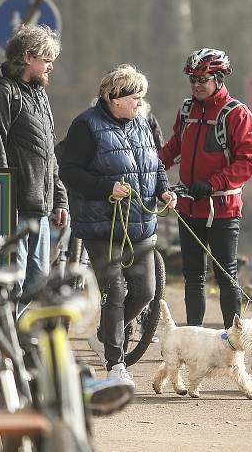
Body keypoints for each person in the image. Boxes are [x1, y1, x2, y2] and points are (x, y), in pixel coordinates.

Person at [59, 64, 176, 385]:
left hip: (142, 223)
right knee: (116, 292)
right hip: (103, 227)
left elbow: (156, 164)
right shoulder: (86, 126)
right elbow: (68, 171)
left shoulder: (145, 121)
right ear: (114, 98)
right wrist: (105, 188)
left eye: (142, 97)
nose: (141, 102)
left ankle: (104, 335)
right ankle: (116, 365)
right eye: (135, 97)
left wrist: (164, 189)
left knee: (147, 292)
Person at [158, 48, 252, 329]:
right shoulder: (188, 109)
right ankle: (193, 338)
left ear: (218, 78)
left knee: (226, 275)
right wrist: (152, 169)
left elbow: (248, 160)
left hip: (223, 210)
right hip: (189, 205)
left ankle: (233, 340)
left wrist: (214, 183)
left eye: (202, 79)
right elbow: (173, 147)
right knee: (193, 276)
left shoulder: (237, 114)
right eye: (192, 79)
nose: (196, 85)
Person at [0, 24, 69, 312]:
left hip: (40, 211)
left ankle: (17, 343)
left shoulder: (40, 96)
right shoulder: (2, 92)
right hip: (13, 210)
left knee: (36, 282)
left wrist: (60, 198)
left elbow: (48, 154)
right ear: (28, 57)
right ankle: (8, 349)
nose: (51, 66)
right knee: (13, 283)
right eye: (47, 59)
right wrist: (2, 201)